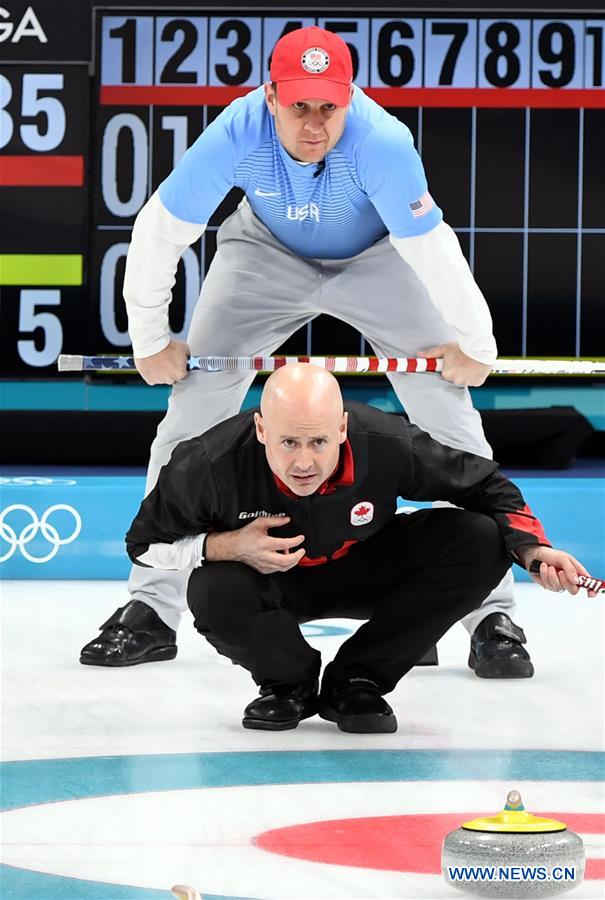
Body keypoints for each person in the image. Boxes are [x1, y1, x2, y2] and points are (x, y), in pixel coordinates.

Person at [82, 26, 530, 676]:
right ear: (269, 96)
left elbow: (431, 248)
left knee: (448, 414)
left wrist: (475, 344)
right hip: (261, 253)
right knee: (189, 418)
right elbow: (159, 229)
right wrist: (149, 339)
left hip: (379, 257)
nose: (314, 123)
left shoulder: (381, 142)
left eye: (329, 106)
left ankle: (492, 615)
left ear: (349, 98)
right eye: (299, 106)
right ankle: (151, 608)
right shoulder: (236, 132)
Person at [125, 365, 594, 733]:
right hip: (266, 581)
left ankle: (358, 679)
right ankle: (287, 684)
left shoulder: (386, 442)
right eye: (288, 442)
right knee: (212, 586)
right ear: (261, 429)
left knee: (481, 538)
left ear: (344, 428)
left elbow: (487, 484)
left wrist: (533, 550)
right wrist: (225, 545)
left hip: (366, 566)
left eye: (319, 441)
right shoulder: (206, 463)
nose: (304, 461)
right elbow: (143, 547)